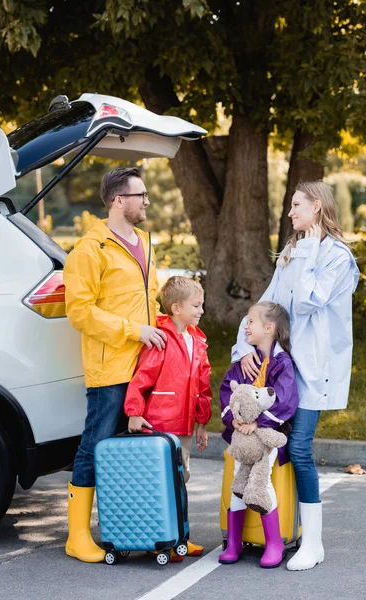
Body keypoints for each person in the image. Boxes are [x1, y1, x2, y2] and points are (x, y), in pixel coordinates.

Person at [232, 180, 359, 571]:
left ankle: (314, 544)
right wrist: (244, 346)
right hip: (281, 370)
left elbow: (307, 301)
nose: (290, 213)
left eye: (296, 205)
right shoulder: (292, 251)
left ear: (317, 207)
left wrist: (306, 250)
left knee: (299, 449)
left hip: (314, 371)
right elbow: (269, 305)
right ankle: (276, 533)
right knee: (271, 448)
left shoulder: (338, 257)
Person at [64, 167, 166, 563]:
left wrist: (162, 337)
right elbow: (80, 312)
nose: (146, 202)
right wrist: (133, 331)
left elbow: (150, 300)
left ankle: (136, 528)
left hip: (144, 366)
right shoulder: (90, 250)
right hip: (110, 368)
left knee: (134, 451)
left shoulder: (143, 241)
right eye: (141, 195)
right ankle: (77, 537)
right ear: (119, 200)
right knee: (95, 445)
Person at [124, 276, 212, 559]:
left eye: (202, 305)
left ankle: (178, 539)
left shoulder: (197, 341)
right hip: (160, 425)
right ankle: (160, 539)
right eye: (196, 305)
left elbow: (203, 385)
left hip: (184, 426)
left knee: (180, 480)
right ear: (176, 308)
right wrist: (134, 412)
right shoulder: (160, 338)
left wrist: (202, 422)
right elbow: (141, 379)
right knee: (159, 482)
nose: (201, 311)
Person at [218, 301, 299, 568]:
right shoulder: (245, 362)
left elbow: (286, 402)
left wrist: (259, 423)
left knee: (262, 484)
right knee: (237, 485)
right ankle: (233, 542)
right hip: (241, 438)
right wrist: (235, 421)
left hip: (267, 439)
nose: (246, 326)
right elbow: (228, 394)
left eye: (250, 321)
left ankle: (274, 542)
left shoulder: (282, 363)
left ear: (269, 328)